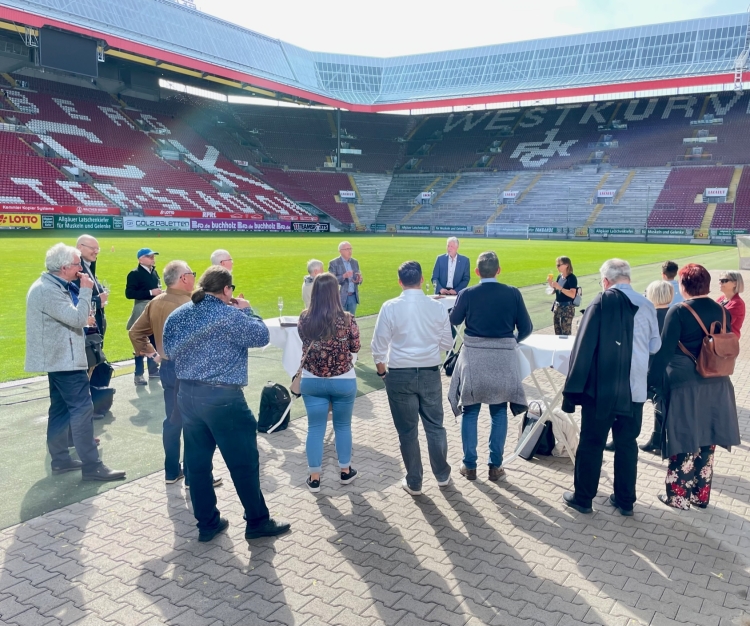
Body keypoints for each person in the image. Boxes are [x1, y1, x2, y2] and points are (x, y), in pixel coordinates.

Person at [163, 266, 290, 542]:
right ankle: (257, 520)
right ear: (227, 290)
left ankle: (207, 524)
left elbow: (169, 351)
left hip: (187, 394)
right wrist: (247, 309)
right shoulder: (230, 315)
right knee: (243, 462)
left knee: (197, 464)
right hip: (223, 398)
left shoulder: (178, 314)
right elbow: (261, 336)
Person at [562, 259, 660, 516]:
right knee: (627, 443)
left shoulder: (601, 301)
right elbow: (654, 346)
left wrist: (573, 389)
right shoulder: (647, 304)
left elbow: (582, 348)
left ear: (606, 281)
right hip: (635, 388)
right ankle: (625, 500)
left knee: (592, 441)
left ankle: (583, 498)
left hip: (602, 389)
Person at [26, 243, 125, 481]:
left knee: (59, 410)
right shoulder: (47, 290)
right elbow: (77, 318)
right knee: (82, 410)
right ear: (63, 267)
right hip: (65, 361)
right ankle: (92, 466)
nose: (81, 268)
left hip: (59, 358)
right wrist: (86, 291)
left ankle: (60, 460)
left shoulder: (51, 285)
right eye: (77, 264)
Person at [648, 264, 740, 510]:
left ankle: (678, 496)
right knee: (707, 438)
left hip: (686, 384)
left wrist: (650, 383)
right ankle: (701, 495)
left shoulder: (678, 311)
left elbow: (664, 352)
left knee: (684, 436)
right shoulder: (722, 311)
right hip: (717, 381)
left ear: (684, 285)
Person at [129, 260, 223, 489]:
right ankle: (195, 476)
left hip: (169, 369)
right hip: (193, 371)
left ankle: (172, 471)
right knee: (196, 425)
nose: (194, 277)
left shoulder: (155, 302)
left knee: (172, 421)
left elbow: (135, 332)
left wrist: (154, 354)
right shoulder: (193, 304)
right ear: (183, 278)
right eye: (192, 273)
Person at [448, 251, 532, 482]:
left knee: (470, 410)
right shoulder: (513, 293)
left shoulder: (467, 293)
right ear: (499, 270)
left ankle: (469, 466)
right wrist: (510, 341)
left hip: (473, 357)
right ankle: (495, 466)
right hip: (503, 359)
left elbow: (454, 320)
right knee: (499, 411)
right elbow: (526, 327)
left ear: (476, 272)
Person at [371, 261, 454, 495]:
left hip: (399, 373)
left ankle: (415, 481)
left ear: (400, 282)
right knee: (435, 426)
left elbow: (378, 347)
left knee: (408, 431)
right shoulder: (437, 308)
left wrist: (382, 373)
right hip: (428, 371)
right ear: (422, 278)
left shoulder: (390, 306)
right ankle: (442, 474)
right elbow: (448, 343)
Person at [298, 273, 361, 492]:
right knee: (342, 426)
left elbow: (303, 339)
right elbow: (355, 347)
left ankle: (314, 477)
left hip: (312, 380)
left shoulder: (304, 317)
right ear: (336, 293)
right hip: (343, 380)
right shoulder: (347, 318)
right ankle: (345, 471)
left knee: (315, 428)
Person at [639, 280, 674, 454]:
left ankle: (621, 439)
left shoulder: (649, 316)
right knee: (661, 405)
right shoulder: (674, 313)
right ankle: (658, 439)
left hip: (650, 366)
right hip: (669, 367)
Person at [126, 248, 162, 385]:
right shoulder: (134, 274)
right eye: (149, 256)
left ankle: (153, 370)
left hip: (154, 308)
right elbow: (129, 293)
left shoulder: (154, 272)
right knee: (140, 344)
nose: (153, 258)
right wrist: (150, 292)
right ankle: (138, 374)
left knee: (153, 340)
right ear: (140, 259)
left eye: (153, 256)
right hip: (141, 308)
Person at [74, 234, 108, 338]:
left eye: (98, 248)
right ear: (80, 247)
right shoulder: (76, 270)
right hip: (86, 330)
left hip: (95, 325)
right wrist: (98, 300)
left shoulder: (88, 265)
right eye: (93, 248)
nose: (96, 251)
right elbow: (73, 300)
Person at [329, 241, 362, 315]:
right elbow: (331, 281)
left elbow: (358, 276)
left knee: (351, 321)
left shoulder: (355, 262)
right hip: (340, 297)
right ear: (340, 251)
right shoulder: (334, 263)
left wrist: (359, 280)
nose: (350, 251)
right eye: (347, 249)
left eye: (350, 248)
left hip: (353, 297)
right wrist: (343, 276)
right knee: (340, 320)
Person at [547, 256, 578, 336]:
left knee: (565, 333)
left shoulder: (572, 278)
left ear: (566, 265)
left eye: (559, 265)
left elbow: (572, 294)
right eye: (557, 265)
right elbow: (555, 291)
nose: (557, 267)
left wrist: (560, 287)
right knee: (557, 332)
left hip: (567, 309)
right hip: (557, 307)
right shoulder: (559, 277)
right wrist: (551, 284)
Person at [716, 270, 745, 339]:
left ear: (735, 283)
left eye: (724, 280)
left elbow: (723, 322)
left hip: (728, 342)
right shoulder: (721, 298)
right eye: (720, 280)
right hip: (718, 339)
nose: (720, 283)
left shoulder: (737, 303)